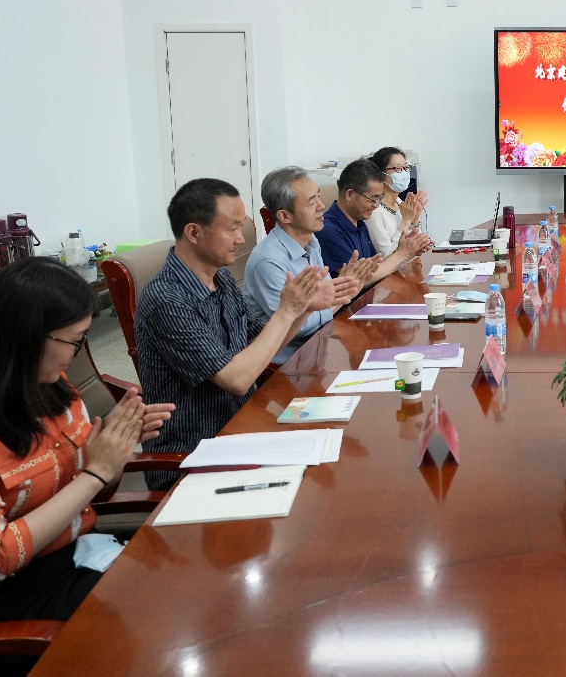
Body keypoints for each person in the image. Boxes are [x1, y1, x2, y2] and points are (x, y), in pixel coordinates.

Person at [0, 259, 172, 629]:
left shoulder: (55, 388)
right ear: (28, 336)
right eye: (75, 340)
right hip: (13, 594)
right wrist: (95, 472)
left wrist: (112, 449)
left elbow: (91, 493)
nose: (77, 353)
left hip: (77, 549)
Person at [136, 178, 334, 490]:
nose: (241, 239)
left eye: (241, 227)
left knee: (329, 460)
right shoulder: (167, 300)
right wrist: (286, 311)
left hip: (242, 430)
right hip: (195, 455)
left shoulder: (222, 280)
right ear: (194, 233)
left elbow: (259, 343)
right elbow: (237, 380)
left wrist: (302, 310)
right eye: (232, 229)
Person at [245, 167, 376, 363]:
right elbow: (299, 327)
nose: (321, 206)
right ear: (285, 216)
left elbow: (323, 302)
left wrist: (345, 286)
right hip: (287, 363)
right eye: (311, 202)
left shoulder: (311, 240)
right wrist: (343, 295)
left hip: (319, 346)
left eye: (319, 197)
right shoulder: (269, 261)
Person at [314, 158, 434, 277]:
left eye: (379, 199)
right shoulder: (328, 230)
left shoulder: (359, 221)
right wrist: (402, 254)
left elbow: (375, 267)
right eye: (373, 199)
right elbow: (359, 279)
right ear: (350, 194)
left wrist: (408, 250)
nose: (376, 206)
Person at [367, 146, 429, 257]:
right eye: (398, 169)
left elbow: (415, 246)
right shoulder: (374, 212)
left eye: (406, 167)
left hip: (412, 265)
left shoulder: (399, 201)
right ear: (380, 174)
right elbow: (387, 257)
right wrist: (406, 221)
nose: (404, 173)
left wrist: (414, 220)